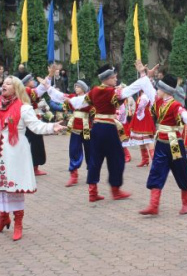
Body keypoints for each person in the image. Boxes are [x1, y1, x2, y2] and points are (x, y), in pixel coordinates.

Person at [0, 76, 66, 241]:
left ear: (16, 88)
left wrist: (52, 126)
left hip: (15, 150)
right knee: (1, 185)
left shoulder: (23, 108)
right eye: (3, 83)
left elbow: (36, 126)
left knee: (14, 186)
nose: (4, 85)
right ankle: (3, 217)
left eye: (8, 83)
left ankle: (18, 222)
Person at [65, 61, 156, 202]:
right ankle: (115, 190)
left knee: (95, 159)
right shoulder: (112, 92)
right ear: (107, 79)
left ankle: (92, 192)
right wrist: (143, 76)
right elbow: (132, 89)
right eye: (113, 77)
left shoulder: (94, 90)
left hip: (95, 128)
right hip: (108, 128)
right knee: (117, 158)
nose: (115, 79)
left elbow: (80, 102)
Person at [138, 74, 187, 215]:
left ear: (165, 91)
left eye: (159, 89)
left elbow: (185, 115)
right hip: (161, 143)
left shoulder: (176, 105)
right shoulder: (157, 101)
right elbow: (147, 87)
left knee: (180, 170)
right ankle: (154, 205)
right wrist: (143, 73)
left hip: (174, 142)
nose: (156, 91)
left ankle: (186, 203)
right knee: (156, 170)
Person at [46, 78, 93, 186]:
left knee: (90, 149)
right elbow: (60, 96)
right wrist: (48, 87)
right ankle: (73, 175)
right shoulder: (72, 97)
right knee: (74, 150)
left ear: (83, 88)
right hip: (75, 126)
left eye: (78, 86)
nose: (76, 88)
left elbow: (92, 109)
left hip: (86, 127)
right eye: (75, 86)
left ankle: (92, 172)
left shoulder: (89, 98)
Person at [22, 75, 49, 175]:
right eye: (31, 80)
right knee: (36, 143)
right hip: (31, 119)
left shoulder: (27, 90)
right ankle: (34, 168)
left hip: (30, 118)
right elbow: (39, 91)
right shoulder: (27, 90)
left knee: (31, 142)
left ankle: (32, 167)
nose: (33, 81)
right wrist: (48, 78)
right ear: (27, 82)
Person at [130, 90, 156, 167]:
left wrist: (138, 113)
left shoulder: (145, 96)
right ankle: (145, 159)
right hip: (140, 117)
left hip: (144, 117)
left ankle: (154, 160)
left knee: (148, 138)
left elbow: (142, 106)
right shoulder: (142, 95)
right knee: (140, 138)